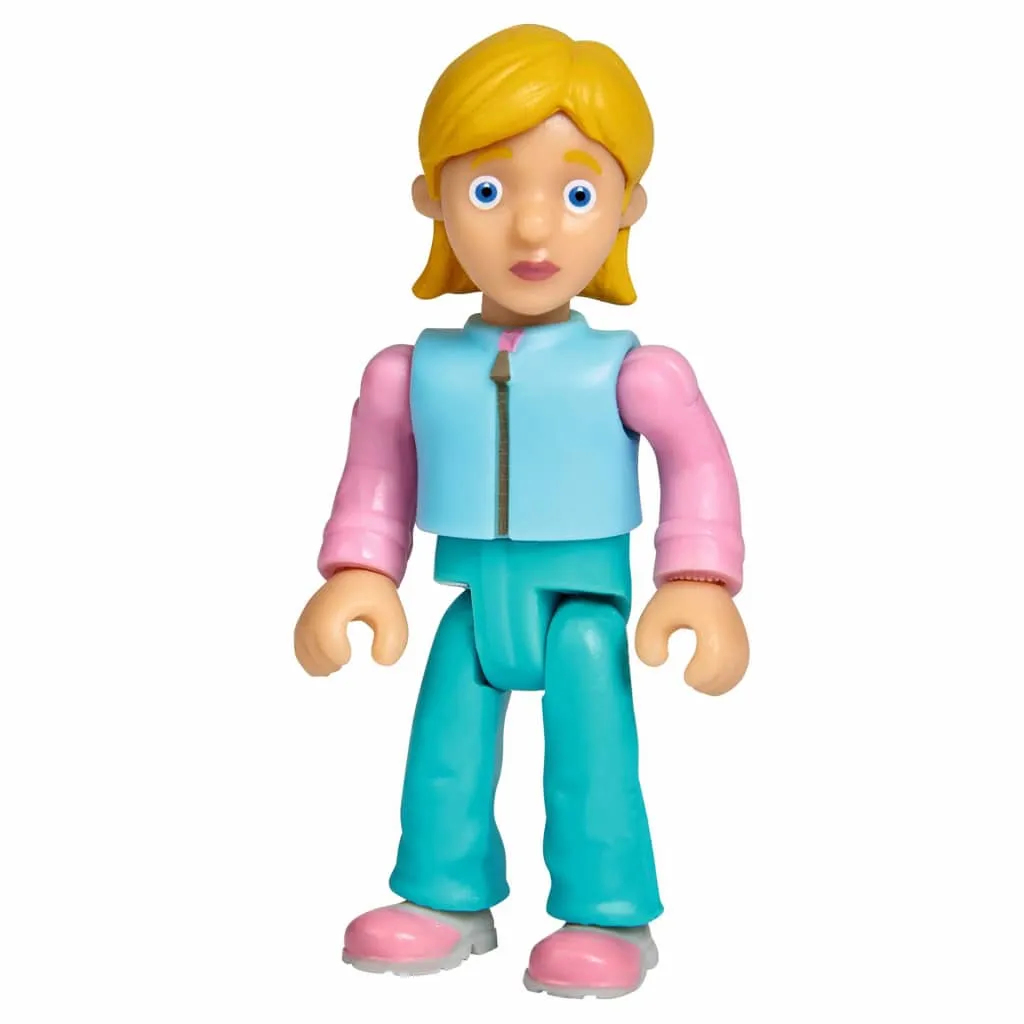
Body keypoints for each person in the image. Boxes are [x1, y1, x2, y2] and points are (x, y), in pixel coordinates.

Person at [294, 23, 749, 999]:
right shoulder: (411, 372)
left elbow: (698, 465)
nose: (534, 232)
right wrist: (359, 571)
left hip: (583, 606)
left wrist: (698, 581)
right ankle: (444, 892)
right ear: (434, 198)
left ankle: (608, 911)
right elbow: (375, 475)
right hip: (474, 602)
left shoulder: (633, 372)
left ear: (625, 208)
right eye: (491, 192)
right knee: (444, 747)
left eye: (576, 194)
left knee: (594, 757)